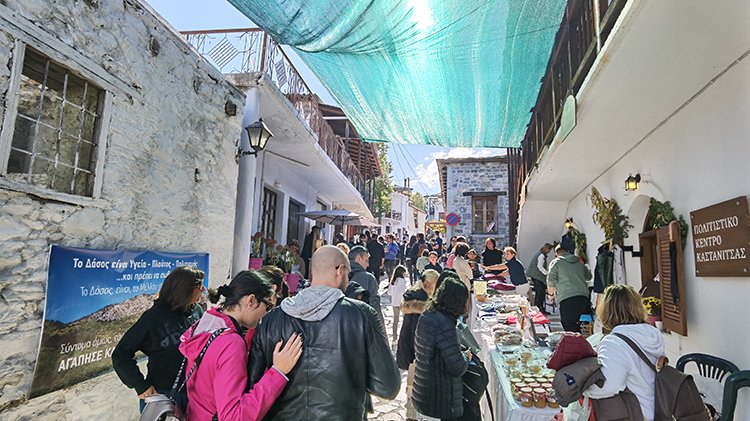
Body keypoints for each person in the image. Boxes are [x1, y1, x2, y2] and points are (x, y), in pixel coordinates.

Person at [248, 245, 400, 420]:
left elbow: (253, 386)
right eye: (348, 273)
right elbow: (388, 387)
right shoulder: (362, 315)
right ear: (340, 270)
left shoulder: (270, 320)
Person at [179, 270, 303, 421]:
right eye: (268, 306)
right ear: (251, 301)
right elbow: (234, 417)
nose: (266, 313)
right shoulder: (231, 343)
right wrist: (278, 373)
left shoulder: (205, 324)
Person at [113, 266, 205, 413]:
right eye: (199, 286)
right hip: (163, 393)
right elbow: (121, 354)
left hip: (194, 392)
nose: (203, 289)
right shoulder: (154, 317)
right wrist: (140, 385)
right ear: (184, 290)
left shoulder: (197, 310)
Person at [583, 284, 664, 419]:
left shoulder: (614, 343)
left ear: (606, 310)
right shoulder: (653, 334)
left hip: (635, 413)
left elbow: (609, 386)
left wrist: (584, 390)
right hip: (658, 408)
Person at [413, 277, 471, 420]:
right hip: (438, 398)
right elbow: (457, 367)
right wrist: (466, 357)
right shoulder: (444, 324)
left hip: (423, 391)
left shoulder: (429, 314)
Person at [396, 269, 439, 421]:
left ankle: (411, 410)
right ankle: (412, 413)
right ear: (430, 283)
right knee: (415, 381)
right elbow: (417, 328)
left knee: (411, 379)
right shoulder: (422, 299)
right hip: (414, 345)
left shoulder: (413, 293)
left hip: (407, 342)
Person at [547, 245, 592, 332]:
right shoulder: (578, 261)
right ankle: (580, 342)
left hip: (566, 297)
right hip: (583, 297)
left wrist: (551, 295)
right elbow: (589, 277)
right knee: (577, 324)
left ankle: (576, 344)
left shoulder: (556, 262)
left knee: (568, 326)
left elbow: (551, 282)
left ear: (556, 254)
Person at [349, 245, 385, 328]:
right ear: (358, 259)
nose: (368, 265)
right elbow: (375, 306)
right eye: (366, 261)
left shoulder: (338, 274)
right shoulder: (368, 278)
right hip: (361, 327)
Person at [526, 243, 554, 314]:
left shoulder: (540, 254)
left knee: (540, 293)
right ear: (547, 249)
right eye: (549, 250)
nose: (549, 252)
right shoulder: (541, 255)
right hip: (537, 276)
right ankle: (539, 309)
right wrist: (547, 273)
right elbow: (540, 267)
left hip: (535, 276)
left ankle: (539, 308)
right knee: (540, 293)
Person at [388, 264, 409, 343]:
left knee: (395, 320)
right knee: (405, 320)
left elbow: (389, 292)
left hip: (394, 302)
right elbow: (402, 292)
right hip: (401, 302)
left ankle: (394, 337)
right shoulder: (402, 280)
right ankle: (404, 336)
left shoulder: (393, 280)